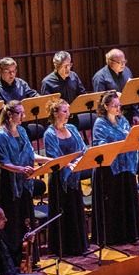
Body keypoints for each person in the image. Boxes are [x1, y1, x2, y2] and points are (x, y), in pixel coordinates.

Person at [0, 101, 45, 264]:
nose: (23, 116)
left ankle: (30, 258)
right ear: (10, 115)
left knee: (27, 218)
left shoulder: (22, 131)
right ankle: (15, 261)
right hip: (10, 184)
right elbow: (3, 162)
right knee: (14, 221)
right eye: (20, 113)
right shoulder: (1, 135)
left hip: (24, 183)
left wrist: (49, 160)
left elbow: (31, 154)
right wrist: (20, 169)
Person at [91, 91, 139, 245]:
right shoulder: (100, 123)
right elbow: (99, 144)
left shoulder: (122, 119)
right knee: (114, 203)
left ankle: (130, 233)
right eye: (114, 106)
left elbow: (130, 136)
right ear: (106, 106)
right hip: (110, 169)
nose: (118, 108)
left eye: (119, 105)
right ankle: (114, 237)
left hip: (125, 166)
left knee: (127, 199)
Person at [42, 99, 88, 256]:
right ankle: (64, 248)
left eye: (68, 111)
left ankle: (79, 245)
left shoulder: (73, 128)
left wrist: (78, 162)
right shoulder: (49, 134)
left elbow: (83, 148)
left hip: (74, 177)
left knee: (75, 209)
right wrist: (70, 165)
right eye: (64, 111)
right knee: (64, 211)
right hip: (59, 180)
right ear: (55, 113)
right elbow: (54, 157)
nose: (68, 114)